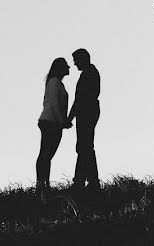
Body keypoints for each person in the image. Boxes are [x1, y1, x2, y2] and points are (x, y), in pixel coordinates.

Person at [36, 57, 72, 197]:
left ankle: (44, 185)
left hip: (52, 122)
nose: (69, 67)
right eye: (66, 66)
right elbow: (54, 104)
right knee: (45, 154)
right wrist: (61, 121)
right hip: (50, 122)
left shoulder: (56, 83)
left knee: (47, 155)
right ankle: (41, 185)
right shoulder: (54, 83)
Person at [67, 48, 100, 192]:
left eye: (75, 60)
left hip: (87, 112)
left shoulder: (89, 74)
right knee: (84, 147)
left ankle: (86, 181)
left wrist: (70, 117)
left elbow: (79, 99)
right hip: (88, 112)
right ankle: (85, 180)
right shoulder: (90, 73)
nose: (74, 64)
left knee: (84, 146)